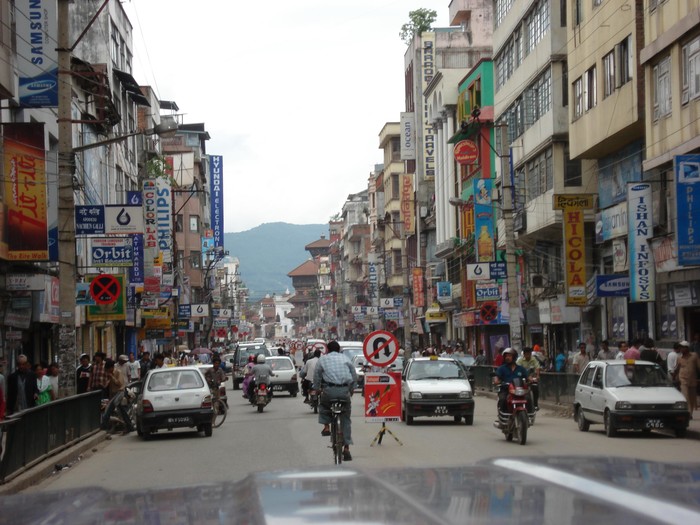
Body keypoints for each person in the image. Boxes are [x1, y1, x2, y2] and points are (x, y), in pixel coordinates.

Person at [313, 340, 357, 461]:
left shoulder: (323, 359)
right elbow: (353, 376)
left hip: (329, 391)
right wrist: (352, 389)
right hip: (344, 392)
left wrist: (317, 389)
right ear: (339, 349)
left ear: (327, 350)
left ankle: (326, 427)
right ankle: (346, 448)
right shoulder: (346, 359)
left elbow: (317, 376)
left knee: (323, 406)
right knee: (346, 419)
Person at [493, 348, 529, 414]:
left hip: (518, 390)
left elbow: (528, 377)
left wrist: (531, 379)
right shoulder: (501, 368)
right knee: (503, 399)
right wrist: (496, 381)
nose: (507, 358)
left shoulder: (521, 369)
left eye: (509, 356)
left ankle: (530, 413)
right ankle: (503, 414)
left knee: (528, 398)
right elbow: (496, 377)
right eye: (506, 356)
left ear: (514, 357)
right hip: (506, 389)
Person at [675, 340, 700, 418]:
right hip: (683, 380)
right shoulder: (679, 358)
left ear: (687, 348)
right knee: (685, 396)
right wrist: (674, 377)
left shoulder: (694, 356)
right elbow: (677, 369)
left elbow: (698, 366)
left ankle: (690, 413)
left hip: (692, 380)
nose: (681, 349)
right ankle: (687, 413)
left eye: (682, 347)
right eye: (680, 347)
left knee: (692, 398)